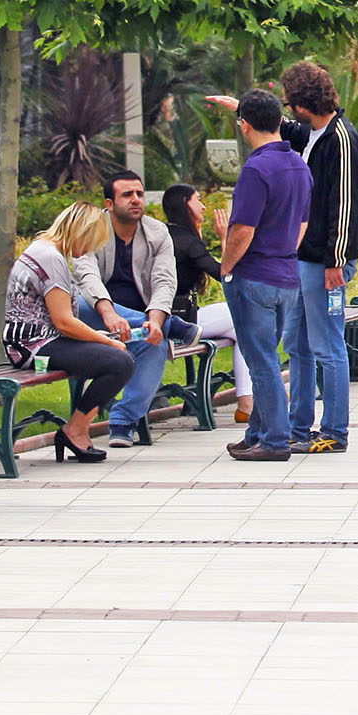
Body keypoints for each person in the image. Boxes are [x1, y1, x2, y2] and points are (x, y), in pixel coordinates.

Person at [0, 204, 133, 462]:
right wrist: (105, 340)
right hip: (32, 346)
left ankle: (76, 429)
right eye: (92, 242)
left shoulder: (47, 250)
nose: (90, 250)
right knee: (120, 362)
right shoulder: (50, 257)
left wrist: (103, 340)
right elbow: (64, 322)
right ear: (81, 232)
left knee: (117, 357)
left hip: (37, 341)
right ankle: (75, 430)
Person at [219, 86, 312, 463]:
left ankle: (274, 439)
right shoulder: (299, 166)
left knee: (261, 361)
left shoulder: (256, 168)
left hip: (255, 274)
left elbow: (242, 230)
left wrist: (226, 267)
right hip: (287, 273)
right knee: (267, 356)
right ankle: (256, 431)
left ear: (244, 126)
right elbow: (302, 224)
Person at [281, 62, 358, 457]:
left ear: (303, 103)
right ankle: (298, 426)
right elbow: (287, 129)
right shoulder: (314, 133)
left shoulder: (342, 140)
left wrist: (336, 259)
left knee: (328, 346)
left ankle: (334, 431)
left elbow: (344, 203)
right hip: (308, 259)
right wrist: (243, 109)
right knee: (297, 343)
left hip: (326, 262)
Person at [89, 169, 199, 447]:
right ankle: (173, 325)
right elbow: (86, 276)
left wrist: (155, 318)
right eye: (127, 195)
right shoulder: (92, 230)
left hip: (142, 321)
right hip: (95, 319)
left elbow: (164, 280)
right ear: (109, 204)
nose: (136, 199)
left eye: (139, 193)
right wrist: (109, 312)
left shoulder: (157, 231)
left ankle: (122, 421)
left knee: (156, 342)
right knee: (78, 302)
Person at [163, 183, 250, 426]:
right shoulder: (186, 241)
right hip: (179, 321)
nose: (202, 205)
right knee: (245, 316)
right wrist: (226, 239)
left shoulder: (167, 234)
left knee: (243, 329)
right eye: (197, 200)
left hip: (173, 316)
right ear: (184, 205)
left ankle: (247, 403)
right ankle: (248, 402)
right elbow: (227, 276)